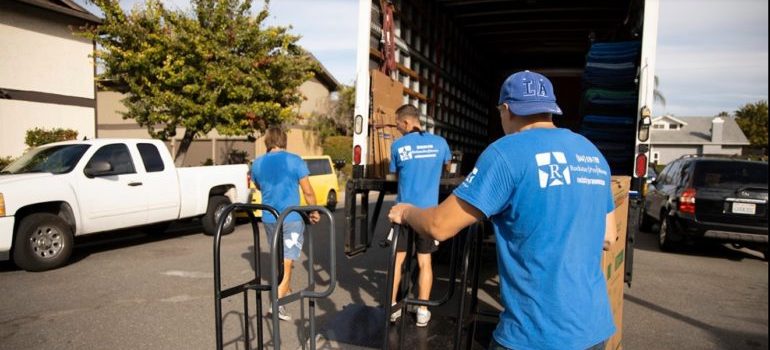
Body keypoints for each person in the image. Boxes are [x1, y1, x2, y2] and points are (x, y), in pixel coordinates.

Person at [388, 71, 618, 349]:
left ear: (506, 109)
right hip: (593, 329)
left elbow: (439, 226)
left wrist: (406, 211)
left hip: (534, 336)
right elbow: (608, 236)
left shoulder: (507, 152)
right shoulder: (591, 153)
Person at [388, 104, 451, 327]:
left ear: (406, 122)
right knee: (425, 262)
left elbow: (394, 178)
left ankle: (393, 308)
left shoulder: (398, 146)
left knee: (398, 261)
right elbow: (448, 167)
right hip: (427, 214)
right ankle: (423, 310)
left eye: (398, 125)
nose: (398, 129)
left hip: (403, 214)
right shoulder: (440, 143)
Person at [251, 127, 320, 321]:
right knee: (288, 261)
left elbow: (257, 185)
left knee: (278, 258)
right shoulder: (294, 160)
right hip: (290, 219)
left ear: (267, 141)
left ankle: (283, 287)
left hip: (269, 218)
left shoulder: (257, 163)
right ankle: (277, 304)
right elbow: (307, 191)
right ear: (284, 140)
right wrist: (314, 210)